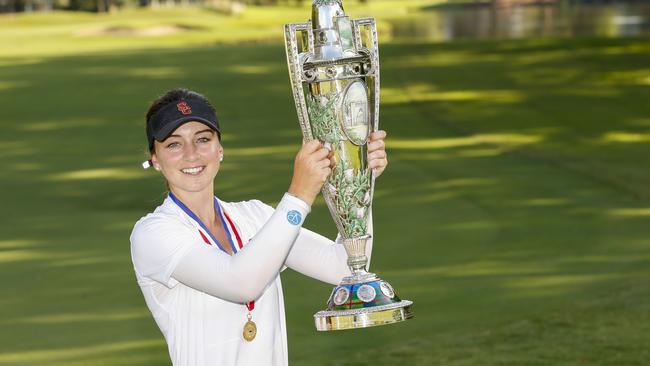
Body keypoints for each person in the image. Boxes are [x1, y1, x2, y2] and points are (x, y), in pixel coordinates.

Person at [130, 88, 388, 366]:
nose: (191, 154)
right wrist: (299, 195)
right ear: (155, 159)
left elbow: (343, 267)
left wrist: (359, 180)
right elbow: (241, 283)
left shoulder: (255, 216)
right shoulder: (152, 233)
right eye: (173, 144)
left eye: (202, 139)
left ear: (220, 149)